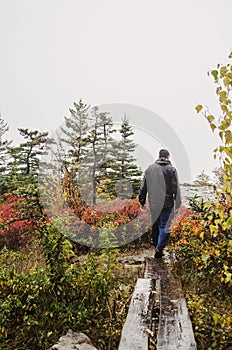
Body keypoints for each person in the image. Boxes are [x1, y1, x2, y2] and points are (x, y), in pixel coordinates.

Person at [139, 149, 181, 258]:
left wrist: (142, 201)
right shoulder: (171, 170)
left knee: (155, 226)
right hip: (167, 204)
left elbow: (143, 187)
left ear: (159, 156)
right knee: (165, 226)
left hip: (153, 204)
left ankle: (157, 248)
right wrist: (178, 204)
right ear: (168, 157)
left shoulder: (150, 169)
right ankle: (159, 248)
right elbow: (175, 188)